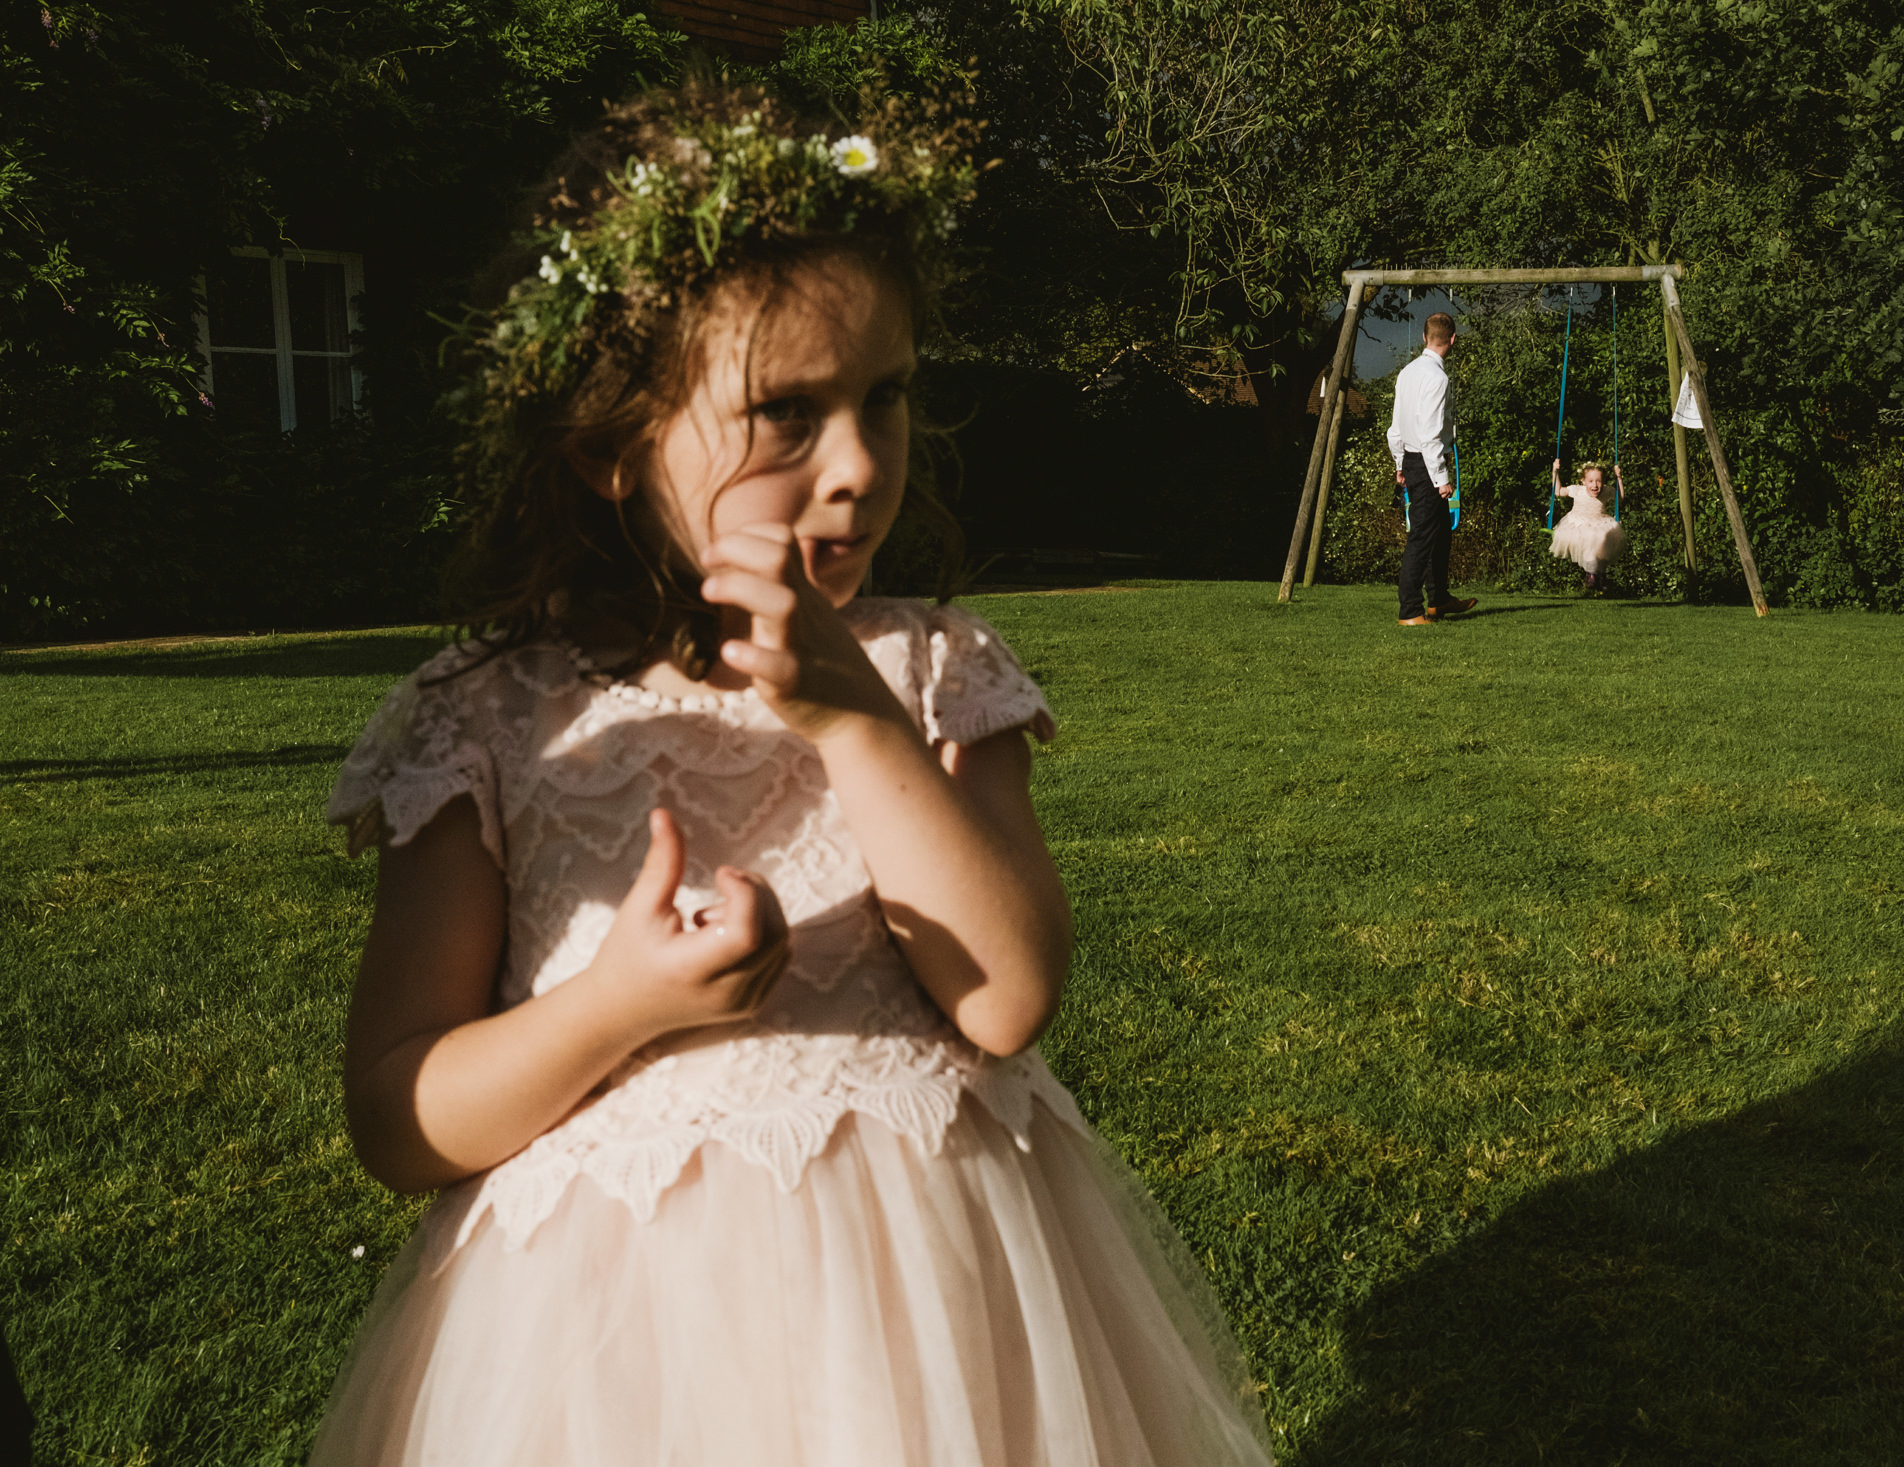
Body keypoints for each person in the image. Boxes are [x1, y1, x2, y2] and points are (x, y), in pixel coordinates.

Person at [309, 80, 1273, 1467]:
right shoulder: (487, 722)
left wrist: (855, 718)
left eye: (885, 397)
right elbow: (400, 1114)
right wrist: (619, 1003)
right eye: (786, 414)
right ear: (606, 446)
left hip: (944, 1306)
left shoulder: (934, 673)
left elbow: (1006, 994)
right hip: (615, 1352)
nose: (860, 466)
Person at [1386, 312, 1477, 626]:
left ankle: (1438, 599)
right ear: (1452, 340)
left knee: (1440, 534)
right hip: (1427, 464)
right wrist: (1441, 479)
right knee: (1422, 537)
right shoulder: (1438, 379)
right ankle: (1410, 610)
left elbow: (1395, 429)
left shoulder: (1407, 373)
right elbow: (1430, 434)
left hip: (1412, 460)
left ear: (1424, 338)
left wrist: (1400, 464)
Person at [1548, 457, 1628, 594]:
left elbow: (1620, 498)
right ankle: (1591, 575)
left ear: (1603, 482)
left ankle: (1600, 575)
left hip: (1600, 523)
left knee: (1601, 546)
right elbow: (1558, 491)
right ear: (1583, 481)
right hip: (1578, 524)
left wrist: (1619, 478)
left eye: (1599, 481)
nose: (1595, 485)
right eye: (1590, 481)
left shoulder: (1607, 491)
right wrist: (1555, 472)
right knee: (1589, 546)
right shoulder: (1577, 490)